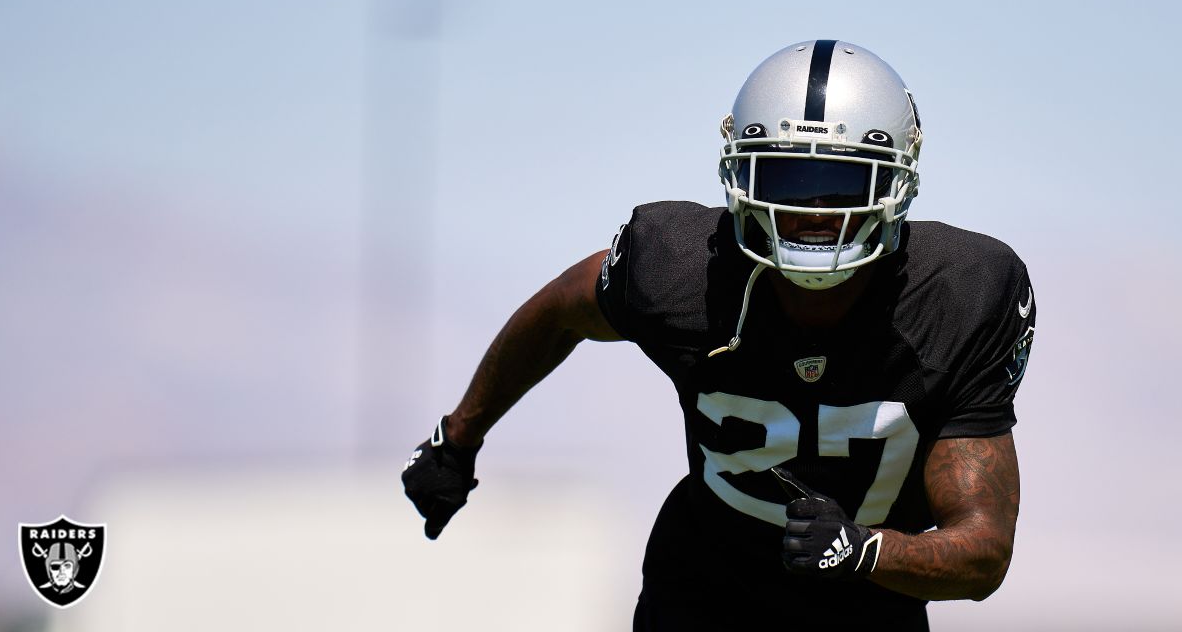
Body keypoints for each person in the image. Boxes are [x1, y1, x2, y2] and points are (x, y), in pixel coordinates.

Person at [402, 40, 1036, 630]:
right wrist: (458, 438)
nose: (814, 213)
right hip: (700, 593)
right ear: (740, 177)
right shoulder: (678, 266)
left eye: (842, 185)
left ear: (898, 183)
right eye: (787, 183)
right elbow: (560, 311)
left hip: (865, 610)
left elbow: (983, 551)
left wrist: (865, 551)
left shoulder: (962, 296)